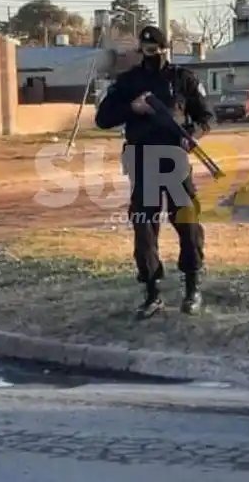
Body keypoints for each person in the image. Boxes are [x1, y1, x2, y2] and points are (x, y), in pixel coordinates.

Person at [95, 25, 213, 318]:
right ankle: (152, 292)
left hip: (174, 158)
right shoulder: (128, 81)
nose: (151, 52)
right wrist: (132, 108)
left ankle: (192, 287)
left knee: (186, 221)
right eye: (146, 47)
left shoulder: (182, 79)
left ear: (165, 47)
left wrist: (192, 134)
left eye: (156, 47)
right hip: (142, 159)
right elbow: (103, 118)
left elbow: (206, 116)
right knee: (145, 227)